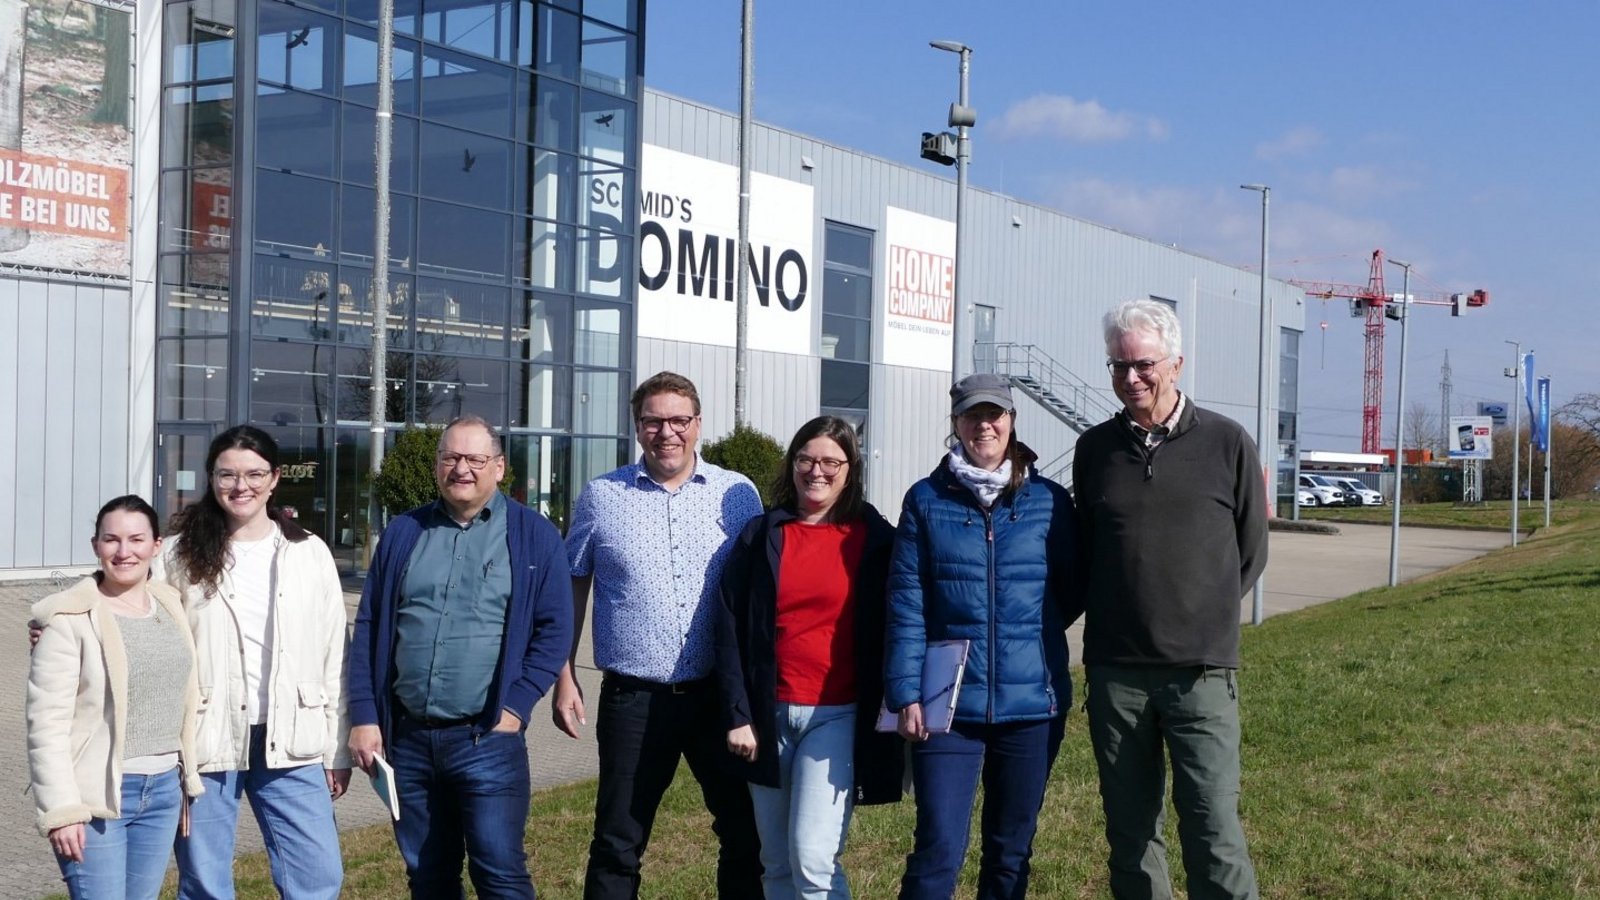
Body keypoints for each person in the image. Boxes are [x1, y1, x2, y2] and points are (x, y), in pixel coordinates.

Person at [1073, 299, 1268, 899]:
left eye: (1142, 365)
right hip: (1117, 675)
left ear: (1176, 364)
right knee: (1131, 836)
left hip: (1200, 673)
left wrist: (1197, 611)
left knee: (1213, 829)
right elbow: (1087, 551)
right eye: (1117, 366)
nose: (1130, 378)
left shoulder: (1228, 442)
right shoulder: (1094, 450)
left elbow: (1250, 550)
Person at [553, 371, 765, 899]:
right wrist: (563, 676)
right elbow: (572, 584)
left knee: (745, 834)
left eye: (678, 420)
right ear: (637, 426)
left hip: (720, 698)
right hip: (634, 701)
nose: (666, 432)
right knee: (617, 842)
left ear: (697, 425)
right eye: (653, 421)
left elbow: (761, 592)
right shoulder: (602, 497)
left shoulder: (738, 494)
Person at [347, 414, 573, 899]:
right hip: (407, 742)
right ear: (437, 466)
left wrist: (515, 707)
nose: (461, 469)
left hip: (486, 738)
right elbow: (368, 628)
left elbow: (555, 630)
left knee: (500, 875)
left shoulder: (534, 536)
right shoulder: (405, 533)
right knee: (427, 876)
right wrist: (365, 716)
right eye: (451, 457)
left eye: (475, 458)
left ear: (499, 467)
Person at [885, 373, 1078, 899]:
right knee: (938, 847)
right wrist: (905, 692)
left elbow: (1072, 588)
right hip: (948, 710)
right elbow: (906, 603)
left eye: (994, 414)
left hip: (1032, 706)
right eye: (972, 415)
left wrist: (1019, 636)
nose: (984, 425)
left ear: (1012, 422)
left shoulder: (1049, 501)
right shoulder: (925, 500)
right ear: (956, 424)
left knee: (1011, 850)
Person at [156, 425, 351, 900]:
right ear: (211, 478)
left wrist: (337, 747)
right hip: (208, 738)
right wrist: (58, 621)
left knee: (319, 875)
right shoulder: (178, 555)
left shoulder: (310, 552)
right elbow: (125, 606)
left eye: (254, 473)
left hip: (291, 738)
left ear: (275, 478)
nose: (240, 486)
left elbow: (334, 656)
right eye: (227, 474)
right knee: (204, 883)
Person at [714, 416, 905, 899]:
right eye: (806, 459)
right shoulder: (762, 536)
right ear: (792, 464)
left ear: (850, 468)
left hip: (836, 715)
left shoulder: (875, 538)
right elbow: (730, 626)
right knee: (775, 863)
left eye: (830, 462)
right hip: (766, 715)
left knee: (813, 859)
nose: (816, 471)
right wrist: (738, 714)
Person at [27, 495, 205, 900]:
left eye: (136, 539)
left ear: (157, 546)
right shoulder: (69, 620)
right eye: (111, 540)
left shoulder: (171, 604)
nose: (124, 552)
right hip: (96, 796)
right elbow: (46, 726)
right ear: (96, 547)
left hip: (163, 790)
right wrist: (63, 812)